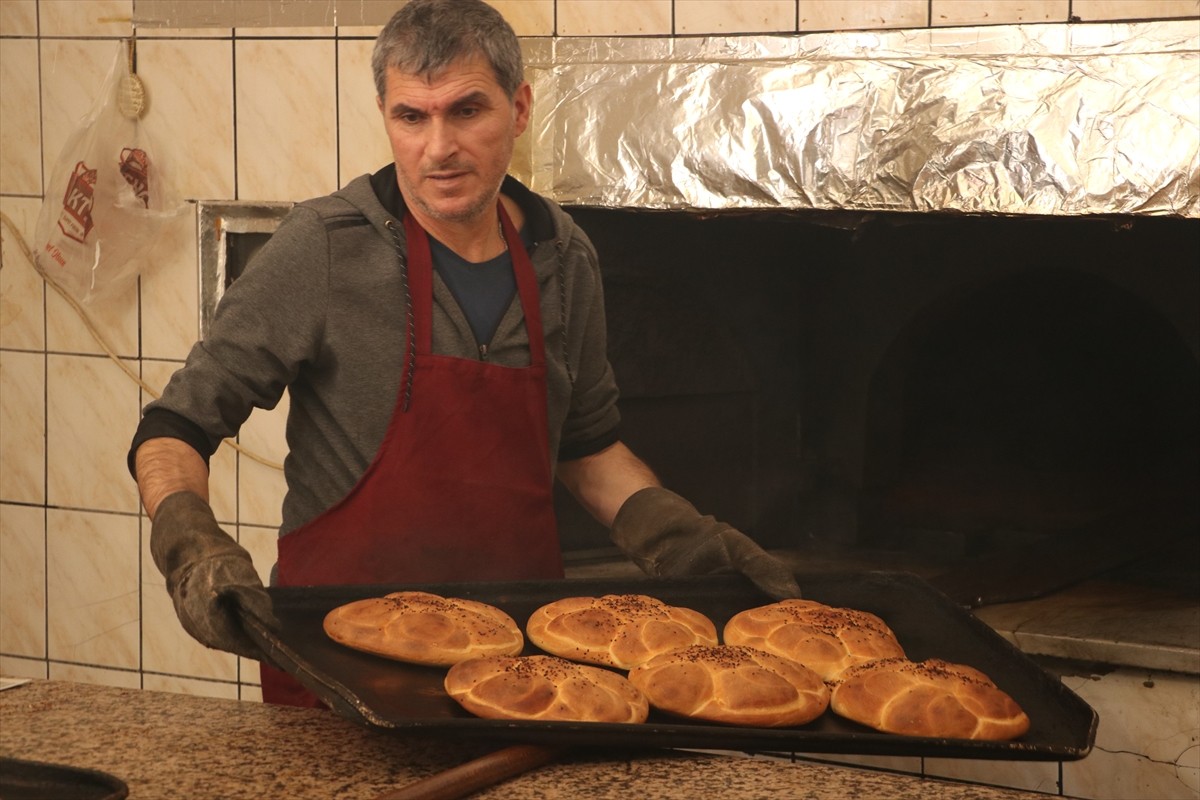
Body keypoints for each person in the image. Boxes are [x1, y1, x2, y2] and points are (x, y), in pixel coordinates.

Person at [129, 0, 800, 706]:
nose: (438, 147)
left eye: (466, 111)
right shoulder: (324, 248)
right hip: (337, 664)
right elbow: (176, 427)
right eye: (410, 117)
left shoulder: (563, 256)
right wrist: (190, 547)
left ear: (519, 107)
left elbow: (586, 445)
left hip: (519, 664)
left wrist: (683, 537)